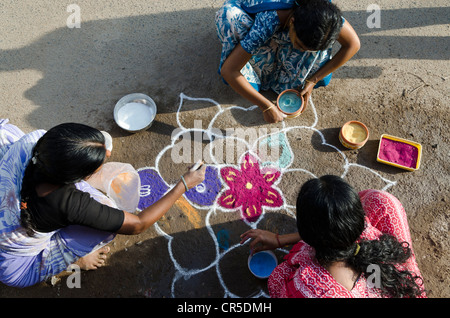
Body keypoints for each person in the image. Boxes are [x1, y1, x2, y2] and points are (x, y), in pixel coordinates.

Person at [0, 120, 205, 288]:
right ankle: (73, 260)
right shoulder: (65, 203)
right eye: (94, 168)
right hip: (14, 265)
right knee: (104, 225)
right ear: (71, 178)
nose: (107, 155)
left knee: (5, 133)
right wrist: (184, 184)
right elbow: (137, 224)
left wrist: (90, 150)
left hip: (13, 205)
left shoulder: (35, 141)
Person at [240, 175, 426, 298]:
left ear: (308, 238)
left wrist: (286, 244)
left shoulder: (307, 286)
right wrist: (280, 240)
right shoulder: (371, 238)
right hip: (390, 285)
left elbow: (278, 284)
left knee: (278, 277)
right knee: (382, 201)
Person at [215, 0, 360, 123]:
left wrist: (314, 79)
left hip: (286, 27)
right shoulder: (270, 19)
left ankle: (292, 48)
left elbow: (353, 44)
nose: (301, 51)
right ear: (292, 22)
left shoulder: (326, 18)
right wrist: (265, 106)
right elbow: (229, 70)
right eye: (299, 45)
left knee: (312, 53)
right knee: (230, 17)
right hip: (250, 14)